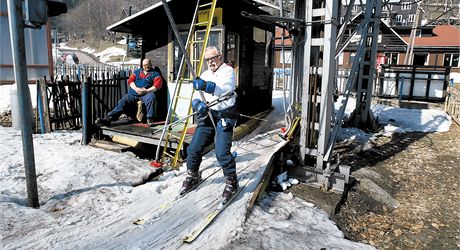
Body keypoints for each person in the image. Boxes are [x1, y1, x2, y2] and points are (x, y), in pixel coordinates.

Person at [180, 46, 239, 202]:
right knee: (193, 148)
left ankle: (232, 181)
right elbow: (196, 95)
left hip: (224, 116)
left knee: (221, 153)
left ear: (220, 56)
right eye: (207, 59)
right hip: (207, 115)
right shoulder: (205, 74)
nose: (211, 62)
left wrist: (206, 86)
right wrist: (197, 103)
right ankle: (192, 175)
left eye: (213, 58)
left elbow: (225, 90)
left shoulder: (228, 71)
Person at [96, 58, 163, 127]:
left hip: (146, 93)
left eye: (147, 65)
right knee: (123, 101)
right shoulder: (137, 72)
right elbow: (130, 81)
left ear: (151, 64)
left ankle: (150, 119)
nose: (146, 67)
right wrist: (136, 88)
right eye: (144, 65)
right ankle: (108, 119)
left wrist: (146, 90)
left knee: (151, 97)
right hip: (133, 92)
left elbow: (158, 85)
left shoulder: (155, 74)